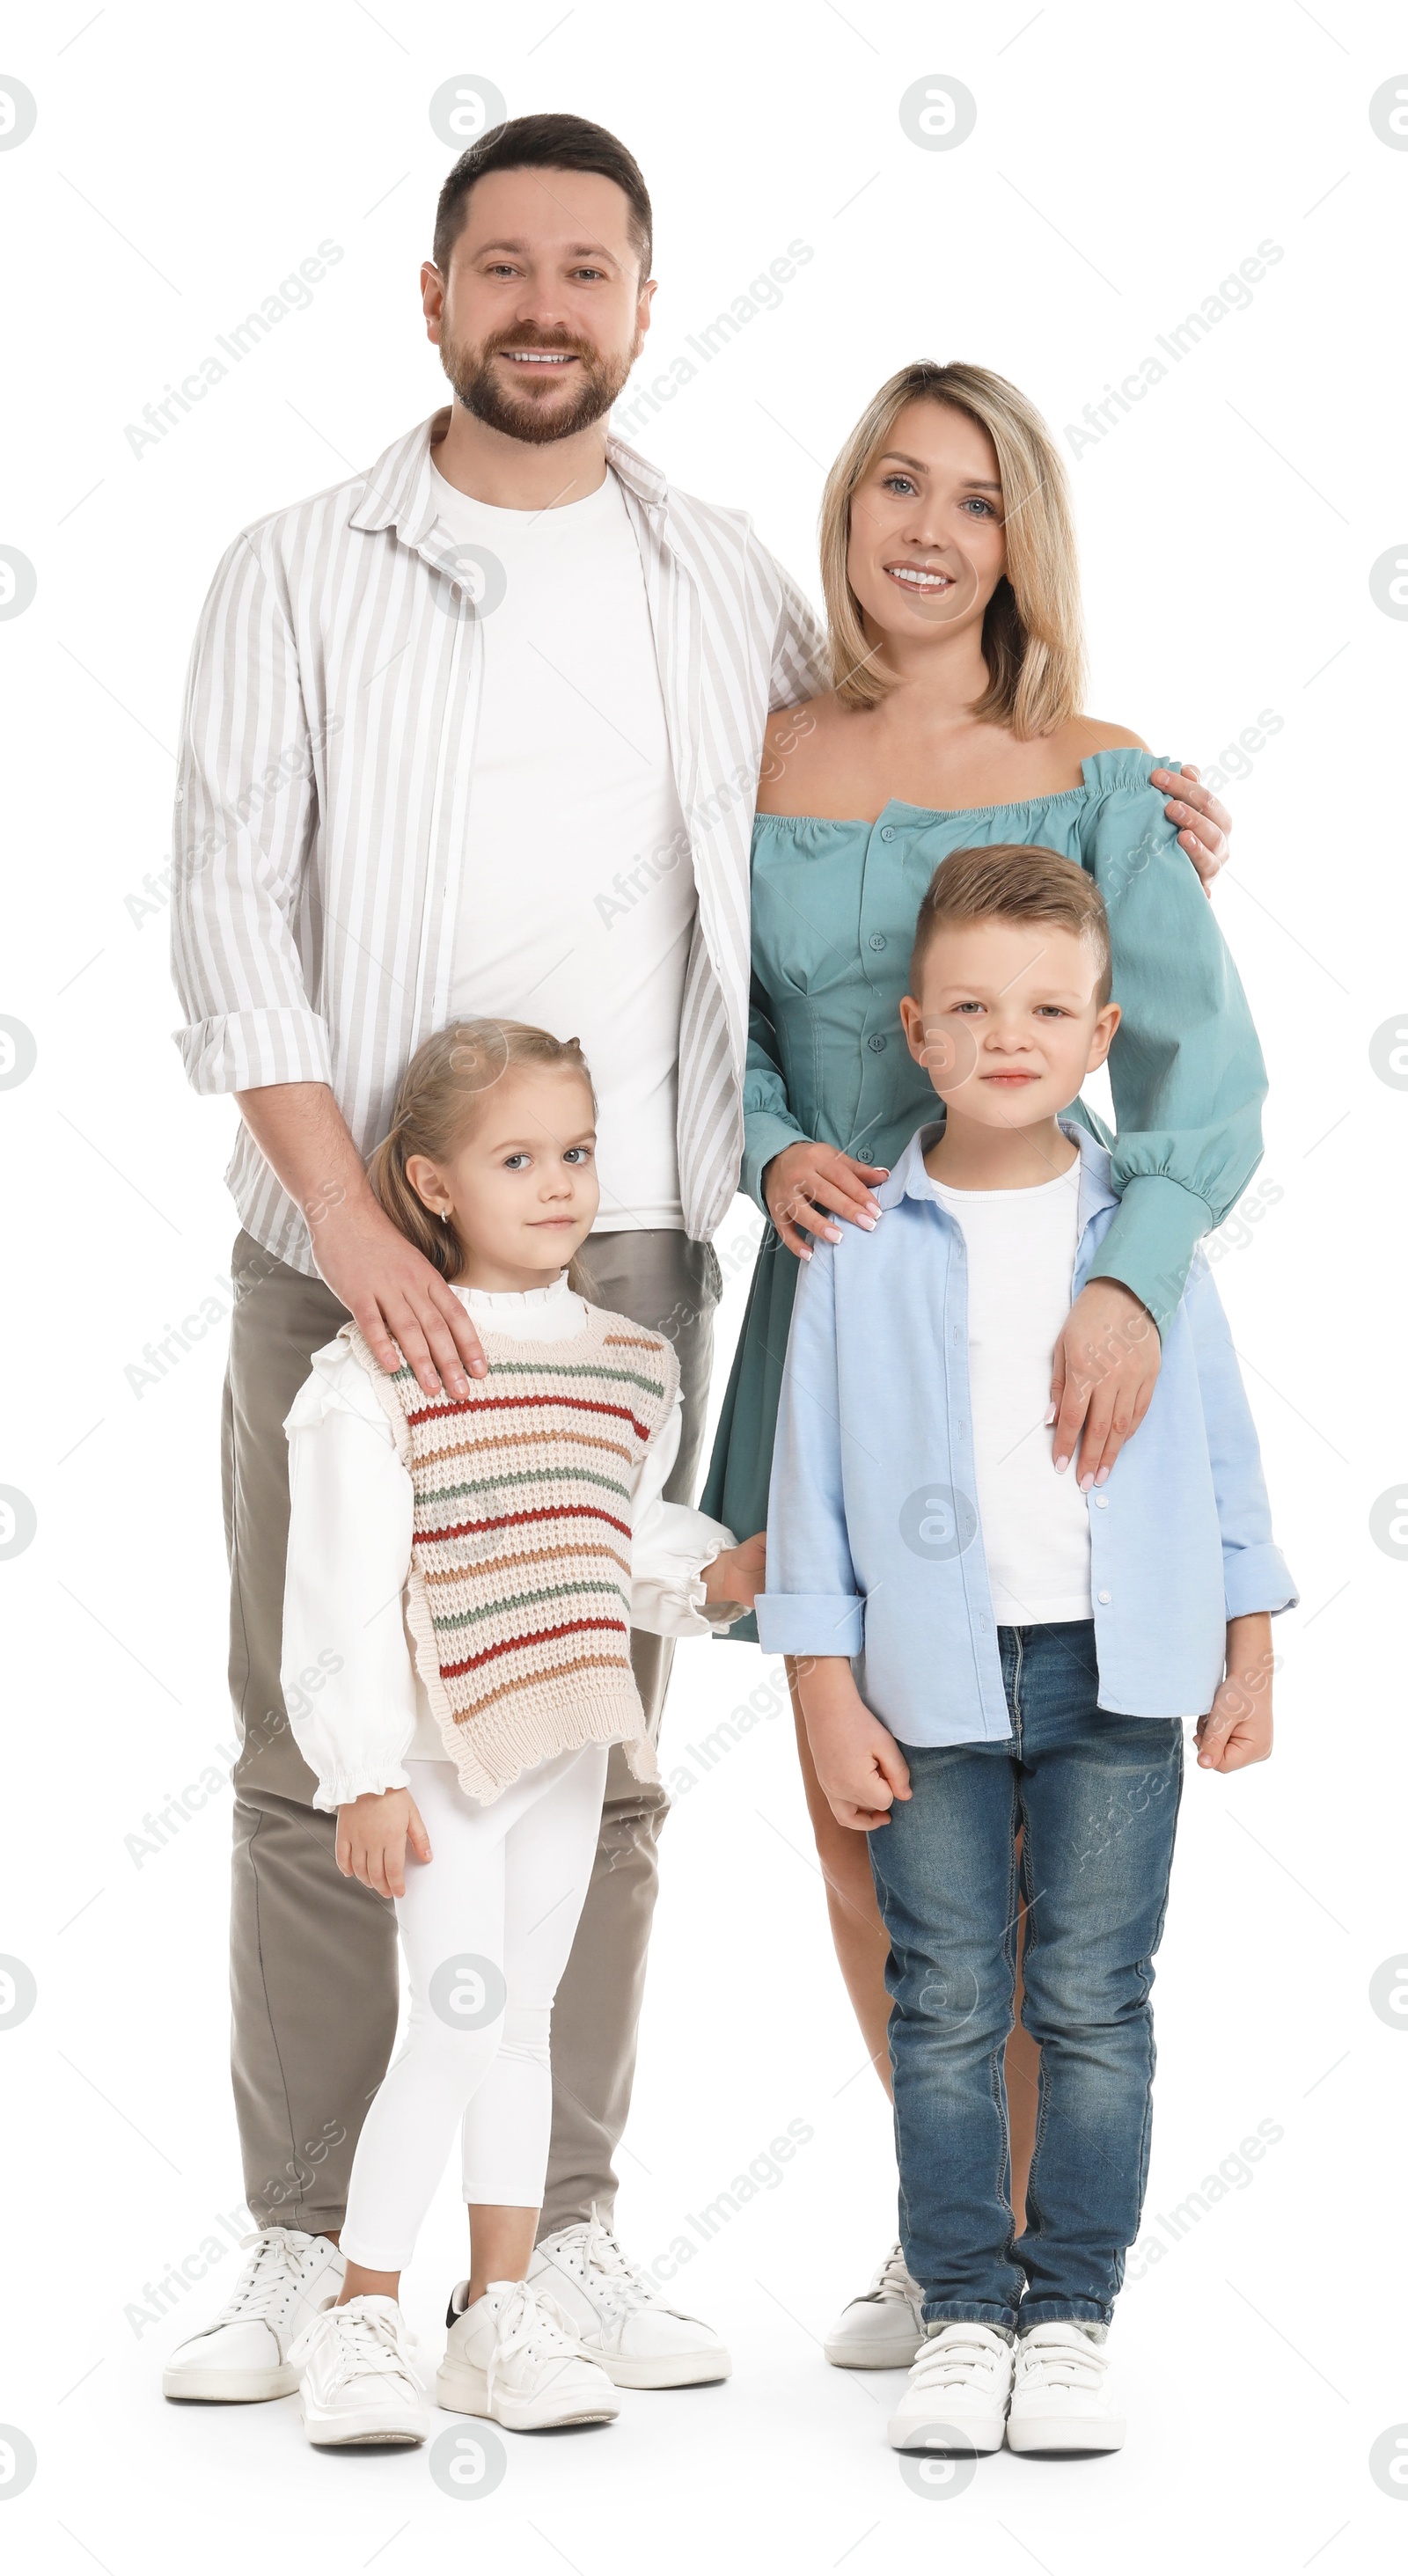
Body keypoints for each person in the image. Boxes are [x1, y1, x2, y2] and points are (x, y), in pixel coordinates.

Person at [165, 105, 1231, 2395]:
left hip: (628, 1256)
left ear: (645, 307)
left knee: (592, 1751)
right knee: (316, 1730)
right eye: (504, 267)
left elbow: (887, 804)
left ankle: (548, 2237)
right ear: (435, 298)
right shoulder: (289, 564)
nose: (545, 308)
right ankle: (298, 2242)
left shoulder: (716, 574)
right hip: (332, 1244)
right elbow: (226, 921)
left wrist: (1117, 802)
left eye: (590, 271)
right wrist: (351, 1215)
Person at [700, 359, 1263, 2368]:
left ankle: (1039, 2272)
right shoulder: (751, 753)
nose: (926, 531)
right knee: (870, 1814)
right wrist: (772, 1150)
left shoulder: (1101, 771)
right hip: (833, 1298)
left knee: (1055, 1855)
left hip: (1051, 1310)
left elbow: (1204, 1064)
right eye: (892, 488)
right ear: (847, 513)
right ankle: (948, 2245)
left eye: (973, 499)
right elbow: (722, 1021)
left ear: (1019, 538)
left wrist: (1132, 1282)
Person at [757, 845, 1294, 2454]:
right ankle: (962, 2311)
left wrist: (1249, 1644)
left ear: (1102, 1030)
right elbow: (813, 1492)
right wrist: (823, 1682)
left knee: (1092, 1999)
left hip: (1118, 1679)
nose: (1010, 1036)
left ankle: (1069, 2312)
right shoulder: (858, 1242)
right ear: (916, 1031)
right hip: (925, 1681)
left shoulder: (1146, 1233)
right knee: (944, 1998)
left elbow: (1219, 1451)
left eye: (1049, 1009)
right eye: (974, 1008)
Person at [271, 1020, 761, 2443]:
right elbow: (343, 1593)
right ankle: (359, 2316)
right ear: (431, 1183)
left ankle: (495, 2316)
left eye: (579, 1152)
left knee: (525, 2023)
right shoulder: (384, 1367)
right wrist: (362, 1771)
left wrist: (715, 1573)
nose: (560, 1184)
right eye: (518, 1158)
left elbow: (610, 1542)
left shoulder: (630, 1361)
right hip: (434, 1755)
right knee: (461, 2018)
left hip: (566, 1736)